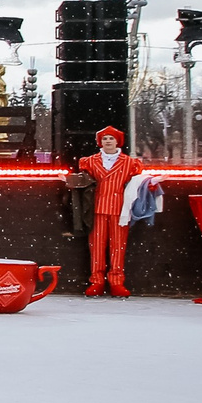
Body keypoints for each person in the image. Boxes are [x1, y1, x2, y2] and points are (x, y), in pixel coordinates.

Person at [74, 126, 143, 297]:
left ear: (117, 141)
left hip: (120, 209)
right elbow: (83, 181)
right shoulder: (90, 161)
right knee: (96, 246)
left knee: (118, 247)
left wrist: (154, 181)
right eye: (105, 139)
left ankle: (117, 282)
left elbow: (139, 181)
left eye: (111, 138)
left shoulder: (130, 163)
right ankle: (96, 281)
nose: (108, 141)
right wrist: (69, 180)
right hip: (96, 207)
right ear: (100, 142)